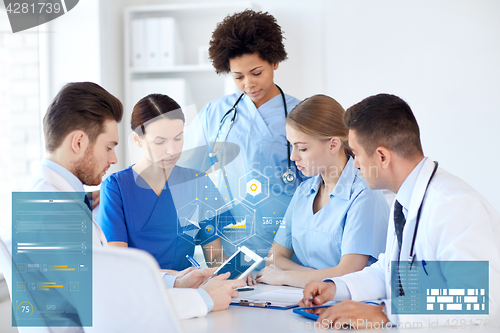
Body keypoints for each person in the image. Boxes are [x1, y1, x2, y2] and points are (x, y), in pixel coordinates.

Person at [19, 82, 242, 326]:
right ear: (79, 142)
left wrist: (178, 282)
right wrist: (201, 299)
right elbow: (111, 298)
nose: (114, 159)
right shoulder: (53, 211)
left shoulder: (54, 199)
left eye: (179, 138)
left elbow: (112, 279)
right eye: (109, 147)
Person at [300, 94, 500, 329]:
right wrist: (335, 287)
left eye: (356, 154)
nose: (354, 164)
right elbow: (391, 273)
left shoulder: (455, 206)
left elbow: (478, 299)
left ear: (382, 156)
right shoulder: (405, 200)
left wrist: (385, 313)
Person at [184, 10, 303, 271]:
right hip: (227, 247)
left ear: (274, 62)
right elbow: (185, 173)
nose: (248, 83)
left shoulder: (301, 115)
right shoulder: (214, 115)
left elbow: (319, 185)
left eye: (256, 72)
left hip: (287, 248)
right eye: (238, 77)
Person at [256, 95, 389, 288]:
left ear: (333, 144)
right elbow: (274, 258)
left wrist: (286, 277)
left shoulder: (364, 194)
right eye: (291, 146)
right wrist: (316, 276)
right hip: (300, 300)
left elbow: (348, 273)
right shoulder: (304, 191)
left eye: (302, 148)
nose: (293, 157)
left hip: (350, 307)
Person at [97, 94, 227, 275]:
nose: (172, 150)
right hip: (138, 293)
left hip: (189, 295)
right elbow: (119, 263)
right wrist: (176, 278)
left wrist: (235, 269)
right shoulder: (116, 187)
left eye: (178, 138)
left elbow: (215, 257)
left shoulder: (198, 183)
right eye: (160, 141)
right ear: (137, 139)